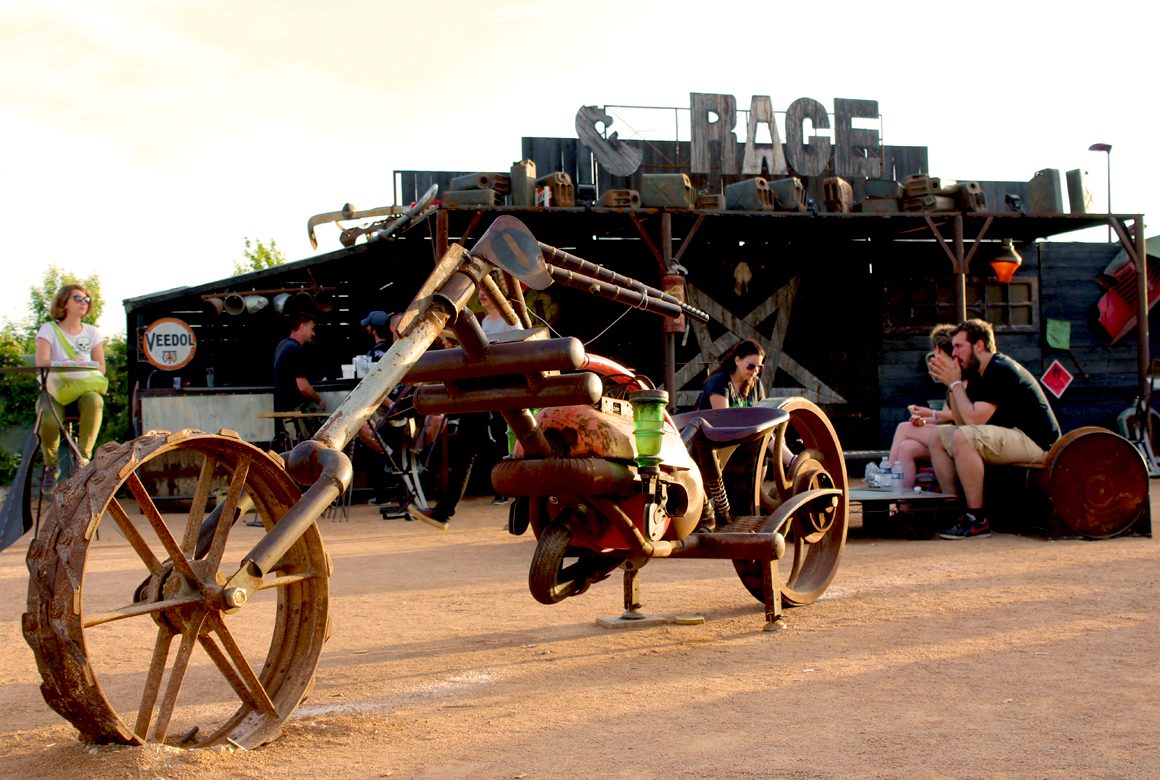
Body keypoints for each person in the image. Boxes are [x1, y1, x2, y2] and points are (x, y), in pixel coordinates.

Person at [927, 318, 1061, 540]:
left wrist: (955, 384)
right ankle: (954, 509)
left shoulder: (999, 369)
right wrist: (952, 385)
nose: (955, 352)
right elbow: (962, 422)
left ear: (979, 345)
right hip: (1016, 436)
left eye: (959, 346)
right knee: (938, 437)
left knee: (962, 438)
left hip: (1038, 443)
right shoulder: (980, 370)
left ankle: (977, 519)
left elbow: (972, 422)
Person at [408, 284, 518, 529]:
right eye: (482, 290)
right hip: (480, 397)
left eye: (490, 292)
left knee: (511, 453)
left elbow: (516, 355)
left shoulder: (511, 322)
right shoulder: (485, 324)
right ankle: (443, 513)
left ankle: (524, 511)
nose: (483, 294)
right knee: (466, 453)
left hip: (503, 398)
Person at [35, 284, 106, 492]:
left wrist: (82, 367)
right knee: (47, 417)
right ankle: (51, 464)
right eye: (77, 298)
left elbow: (101, 367)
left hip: (82, 389)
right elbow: (42, 361)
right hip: (56, 390)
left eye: (86, 299)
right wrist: (68, 363)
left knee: (95, 400)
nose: (84, 302)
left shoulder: (92, 333)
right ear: (64, 302)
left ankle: (83, 459)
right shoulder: (49, 329)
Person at [885, 323, 961, 490]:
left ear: (938, 349)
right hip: (948, 434)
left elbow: (957, 415)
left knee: (904, 428)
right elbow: (946, 417)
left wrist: (929, 412)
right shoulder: (950, 376)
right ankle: (904, 507)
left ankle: (887, 474)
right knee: (906, 448)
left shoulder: (960, 374)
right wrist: (925, 421)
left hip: (961, 437)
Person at [695, 339, 766, 410]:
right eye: (751, 366)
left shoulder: (756, 383)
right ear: (737, 360)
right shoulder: (718, 381)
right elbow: (724, 418)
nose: (756, 370)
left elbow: (764, 414)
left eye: (759, 367)